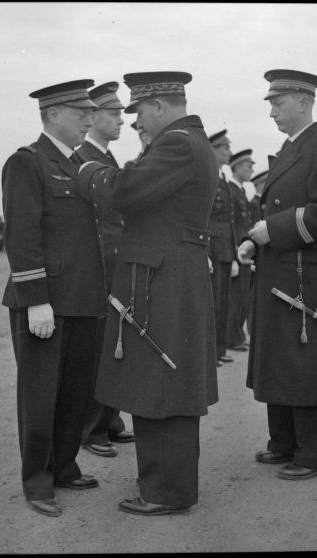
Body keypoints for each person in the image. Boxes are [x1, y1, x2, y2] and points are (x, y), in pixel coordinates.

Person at [76, 71, 218, 515]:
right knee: (161, 381)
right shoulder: (189, 142)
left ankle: (166, 492)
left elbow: (127, 189)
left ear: (159, 106)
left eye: (139, 113)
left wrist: (88, 171)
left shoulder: (177, 144)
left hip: (164, 279)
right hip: (170, 273)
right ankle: (163, 487)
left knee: (162, 382)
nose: (137, 123)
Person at [238, 69, 317, 481]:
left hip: (308, 274)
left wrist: (274, 231)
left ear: (304, 102)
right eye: (270, 103)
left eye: (277, 102)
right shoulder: (289, 151)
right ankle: (284, 442)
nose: (271, 112)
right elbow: (275, 214)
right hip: (281, 270)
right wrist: (257, 239)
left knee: (306, 362)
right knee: (281, 358)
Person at [1, 79, 105, 517]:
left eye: (90, 111)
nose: (89, 119)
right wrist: (36, 298)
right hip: (46, 299)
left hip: (84, 296)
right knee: (41, 393)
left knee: (77, 390)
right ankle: (38, 481)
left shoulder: (83, 163)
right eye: (80, 112)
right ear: (53, 114)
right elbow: (22, 235)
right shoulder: (27, 162)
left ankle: (63, 465)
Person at [77, 82, 135, 458]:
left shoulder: (107, 158)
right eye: (113, 114)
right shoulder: (83, 157)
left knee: (113, 344)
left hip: (113, 265)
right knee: (97, 348)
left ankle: (108, 418)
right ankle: (92, 428)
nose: (121, 121)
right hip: (95, 269)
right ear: (93, 116)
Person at [207, 130, 239, 367]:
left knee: (223, 303)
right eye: (225, 148)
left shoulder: (223, 178)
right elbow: (205, 217)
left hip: (226, 248)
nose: (229, 151)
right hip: (213, 249)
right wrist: (206, 252)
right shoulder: (209, 176)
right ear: (214, 150)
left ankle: (219, 349)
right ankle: (210, 353)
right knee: (213, 303)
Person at [227, 149, 254, 352]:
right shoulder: (231, 189)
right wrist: (236, 248)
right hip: (236, 249)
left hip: (243, 250)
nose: (251, 169)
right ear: (236, 167)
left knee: (243, 294)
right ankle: (233, 336)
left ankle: (238, 334)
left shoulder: (242, 191)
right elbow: (232, 223)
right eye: (247, 166)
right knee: (235, 296)